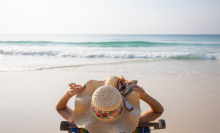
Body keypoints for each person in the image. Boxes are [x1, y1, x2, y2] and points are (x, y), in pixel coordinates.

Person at [55, 77, 164, 124]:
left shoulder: (79, 121)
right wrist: (145, 97)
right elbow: (158, 111)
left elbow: (60, 108)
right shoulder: (134, 122)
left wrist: (68, 94)